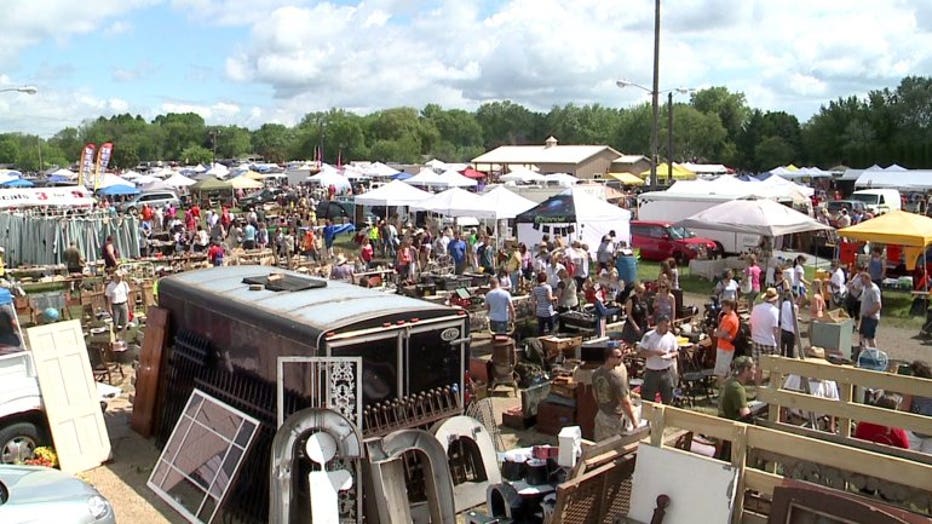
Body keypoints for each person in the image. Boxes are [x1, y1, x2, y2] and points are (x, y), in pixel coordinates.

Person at [781, 346, 839, 433]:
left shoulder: (828, 380)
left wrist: (831, 425)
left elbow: (833, 405)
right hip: (796, 422)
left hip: (819, 424)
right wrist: (783, 423)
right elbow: (784, 399)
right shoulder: (795, 375)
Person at [592, 345, 640, 441]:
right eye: (618, 357)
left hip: (601, 415)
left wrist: (603, 406)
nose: (621, 358)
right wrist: (634, 421)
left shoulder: (596, 373)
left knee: (599, 448)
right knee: (611, 450)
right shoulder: (616, 378)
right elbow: (625, 402)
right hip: (613, 420)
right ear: (609, 358)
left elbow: (594, 394)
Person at [637, 315, 678, 405]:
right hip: (652, 372)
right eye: (665, 326)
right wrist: (655, 353)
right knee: (648, 399)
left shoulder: (671, 337)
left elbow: (675, 352)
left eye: (669, 326)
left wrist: (670, 355)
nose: (668, 328)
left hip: (666, 372)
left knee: (668, 398)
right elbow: (641, 353)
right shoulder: (649, 336)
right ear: (659, 325)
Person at [750, 288, 780, 385]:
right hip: (769, 342)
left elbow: (750, 325)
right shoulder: (775, 311)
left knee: (758, 367)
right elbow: (775, 329)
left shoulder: (756, 308)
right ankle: (772, 386)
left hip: (756, 339)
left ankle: (758, 388)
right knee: (773, 366)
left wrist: (753, 334)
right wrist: (778, 343)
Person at [905, 361, 932, 453]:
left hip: (914, 430)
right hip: (928, 432)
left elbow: (904, 409)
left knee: (910, 457)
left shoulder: (912, 389)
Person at [718, 356, 756, 422]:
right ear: (746, 369)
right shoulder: (737, 388)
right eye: (753, 369)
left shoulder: (729, 382)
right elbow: (746, 417)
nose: (755, 372)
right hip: (732, 426)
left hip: (723, 421)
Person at [714, 299, 740, 383]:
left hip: (726, 348)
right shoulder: (725, 317)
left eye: (723, 306)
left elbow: (721, 334)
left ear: (728, 307)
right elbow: (720, 331)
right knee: (726, 371)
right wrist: (720, 333)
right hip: (722, 346)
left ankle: (721, 391)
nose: (721, 308)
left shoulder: (731, 319)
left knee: (721, 372)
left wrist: (717, 333)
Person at [857, 271, 882, 348]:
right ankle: (862, 352)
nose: (861, 281)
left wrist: (869, 313)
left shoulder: (874, 290)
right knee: (861, 336)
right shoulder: (865, 288)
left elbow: (878, 305)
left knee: (870, 338)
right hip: (865, 317)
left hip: (871, 318)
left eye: (862, 279)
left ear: (867, 279)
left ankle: (874, 354)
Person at [105, 270, 131, 336]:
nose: (120, 278)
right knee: (116, 323)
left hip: (124, 304)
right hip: (115, 306)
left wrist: (129, 304)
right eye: (118, 277)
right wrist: (109, 308)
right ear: (115, 277)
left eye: (121, 277)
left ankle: (125, 337)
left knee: (125, 322)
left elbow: (127, 295)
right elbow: (109, 299)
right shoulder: (110, 286)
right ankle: (116, 337)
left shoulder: (124, 284)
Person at [779, 294, 798, 358]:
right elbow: (795, 322)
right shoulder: (794, 307)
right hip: (790, 331)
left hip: (781, 330)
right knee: (790, 353)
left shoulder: (781, 305)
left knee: (781, 353)